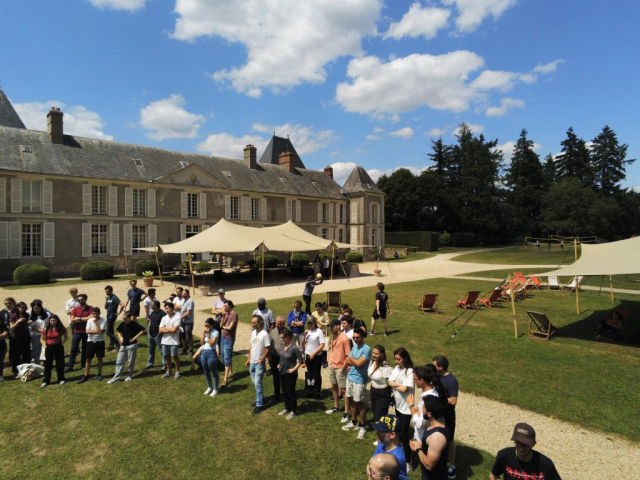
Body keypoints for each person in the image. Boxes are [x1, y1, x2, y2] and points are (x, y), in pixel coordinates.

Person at [490, 423, 561, 480]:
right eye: (518, 443)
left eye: (526, 445)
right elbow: (493, 475)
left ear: (533, 444)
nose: (521, 449)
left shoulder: (546, 464)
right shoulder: (504, 455)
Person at [409, 396, 450, 480]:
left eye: (423, 408)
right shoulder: (437, 423)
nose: (421, 410)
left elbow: (429, 465)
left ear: (429, 414)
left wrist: (418, 449)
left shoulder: (437, 437)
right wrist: (421, 445)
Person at [388, 347, 415, 474]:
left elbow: (405, 389)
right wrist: (399, 384)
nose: (396, 361)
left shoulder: (409, 371)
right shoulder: (397, 369)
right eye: (395, 359)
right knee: (399, 431)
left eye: (398, 359)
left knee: (404, 434)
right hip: (398, 405)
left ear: (405, 358)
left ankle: (409, 462)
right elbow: (389, 381)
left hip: (407, 408)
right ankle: (399, 455)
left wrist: (396, 384)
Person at [432, 355, 459, 480]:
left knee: (450, 439)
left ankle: (452, 465)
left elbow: (453, 401)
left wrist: (440, 397)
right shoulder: (436, 376)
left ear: (441, 367)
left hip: (448, 414)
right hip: (437, 413)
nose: (433, 367)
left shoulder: (452, 381)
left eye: (435, 365)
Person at [342, 329, 371, 440]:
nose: (355, 339)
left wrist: (351, 360)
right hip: (350, 377)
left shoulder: (367, 349)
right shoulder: (355, 346)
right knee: (351, 400)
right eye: (354, 337)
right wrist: (351, 361)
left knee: (360, 403)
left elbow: (359, 363)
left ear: (363, 337)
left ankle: (362, 426)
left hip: (359, 379)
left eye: (357, 337)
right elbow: (349, 359)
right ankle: (354, 422)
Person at [107, 311, 145, 383]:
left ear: (129, 317)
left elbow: (142, 330)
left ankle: (129, 376)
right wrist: (120, 337)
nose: (124, 320)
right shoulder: (123, 323)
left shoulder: (134, 324)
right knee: (119, 362)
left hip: (132, 345)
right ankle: (116, 378)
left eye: (125, 318)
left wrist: (135, 337)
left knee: (131, 361)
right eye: (123, 318)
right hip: (123, 346)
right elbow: (118, 331)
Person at [326, 319, 352, 423]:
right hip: (333, 365)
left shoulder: (345, 339)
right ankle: (336, 407)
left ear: (338, 326)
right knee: (334, 386)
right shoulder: (334, 336)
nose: (331, 329)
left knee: (344, 390)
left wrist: (343, 368)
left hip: (341, 367)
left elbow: (348, 355)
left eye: (332, 327)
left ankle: (346, 412)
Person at [245, 315, 270, 414]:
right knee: (255, 382)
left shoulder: (264, 334)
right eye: (252, 322)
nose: (252, 324)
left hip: (259, 363)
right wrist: (248, 359)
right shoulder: (254, 333)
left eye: (254, 323)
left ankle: (259, 404)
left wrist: (262, 359)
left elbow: (268, 348)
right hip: (252, 362)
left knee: (258, 383)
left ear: (259, 323)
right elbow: (252, 346)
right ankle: (259, 398)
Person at [277, 328, 304, 419]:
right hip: (282, 372)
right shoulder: (283, 345)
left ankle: (294, 410)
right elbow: (282, 357)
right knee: (284, 391)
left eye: (283, 337)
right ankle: (287, 407)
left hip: (290, 374)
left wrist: (293, 369)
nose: (281, 339)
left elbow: (301, 360)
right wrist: (279, 364)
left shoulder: (294, 348)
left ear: (288, 337)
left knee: (291, 392)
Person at [77, 307, 106, 383]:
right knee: (88, 359)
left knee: (100, 358)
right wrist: (97, 331)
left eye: (96, 313)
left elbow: (101, 332)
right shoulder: (89, 320)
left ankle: (99, 374)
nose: (95, 315)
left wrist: (96, 323)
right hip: (90, 341)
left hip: (100, 341)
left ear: (99, 313)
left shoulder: (103, 321)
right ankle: (86, 375)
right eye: (93, 313)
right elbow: (87, 331)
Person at [65, 294, 91, 373]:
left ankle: (83, 365)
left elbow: (91, 317)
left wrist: (78, 319)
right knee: (73, 349)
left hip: (86, 332)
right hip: (77, 331)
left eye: (81, 300)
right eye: (79, 300)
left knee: (85, 349)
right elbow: (72, 319)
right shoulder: (75, 309)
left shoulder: (90, 308)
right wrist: (84, 319)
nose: (80, 301)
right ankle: (70, 366)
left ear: (86, 299)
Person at [41, 314, 68, 387]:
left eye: (54, 320)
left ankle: (61, 379)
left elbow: (66, 337)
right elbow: (42, 339)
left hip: (58, 346)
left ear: (57, 321)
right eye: (51, 320)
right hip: (49, 347)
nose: (52, 322)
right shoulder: (46, 329)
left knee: (60, 363)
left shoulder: (61, 328)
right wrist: (45, 346)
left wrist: (62, 344)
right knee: (48, 365)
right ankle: (46, 380)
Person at [369, 345, 393, 424]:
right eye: (373, 353)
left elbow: (390, 382)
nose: (374, 355)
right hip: (373, 390)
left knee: (381, 414)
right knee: (374, 410)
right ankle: (379, 428)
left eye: (376, 354)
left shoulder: (385, 367)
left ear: (382, 355)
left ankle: (382, 432)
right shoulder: (372, 362)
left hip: (383, 393)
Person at [302, 316, 325, 398]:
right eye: (308, 323)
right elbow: (303, 343)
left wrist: (314, 354)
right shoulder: (308, 332)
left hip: (317, 356)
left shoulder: (319, 332)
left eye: (311, 323)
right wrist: (304, 335)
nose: (309, 325)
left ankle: (317, 391)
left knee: (316, 373)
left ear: (314, 323)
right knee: (310, 372)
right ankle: (310, 389)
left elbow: (322, 345)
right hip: (308, 354)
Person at [159, 302, 181, 379]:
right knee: (166, 356)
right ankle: (169, 371)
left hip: (174, 341)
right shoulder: (164, 318)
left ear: (172, 308)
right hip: (164, 341)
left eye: (168, 308)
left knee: (175, 356)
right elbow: (160, 329)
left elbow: (174, 330)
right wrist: (169, 329)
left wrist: (165, 329)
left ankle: (177, 371)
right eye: (165, 308)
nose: (166, 310)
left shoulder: (177, 317)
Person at [267, 315, 286, 403]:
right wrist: (269, 357)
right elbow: (269, 345)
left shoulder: (287, 333)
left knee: (283, 378)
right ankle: (277, 395)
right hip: (274, 358)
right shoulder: (273, 331)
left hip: (284, 359)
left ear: (283, 324)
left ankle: (285, 394)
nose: (277, 325)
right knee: (275, 378)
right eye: (276, 323)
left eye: (279, 324)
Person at [9, 302, 32, 376]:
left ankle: (26, 369)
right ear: (18, 307)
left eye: (25, 307)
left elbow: (26, 325)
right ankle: (16, 371)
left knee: (26, 353)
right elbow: (11, 327)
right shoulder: (14, 316)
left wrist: (29, 323)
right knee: (16, 354)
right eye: (22, 307)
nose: (23, 309)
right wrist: (18, 322)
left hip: (25, 336)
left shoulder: (26, 315)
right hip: (17, 337)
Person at [200, 318, 220, 397]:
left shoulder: (216, 332)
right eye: (205, 326)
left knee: (214, 372)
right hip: (204, 352)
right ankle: (209, 387)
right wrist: (203, 333)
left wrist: (208, 335)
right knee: (206, 371)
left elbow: (212, 344)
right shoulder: (206, 332)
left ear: (212, 325)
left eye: (208, 326)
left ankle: (215, 389)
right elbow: (201, 343)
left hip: (211, 353)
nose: (206, 328)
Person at [220, 300, 238, 387]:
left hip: (229, 339)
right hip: (223, 337)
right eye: (224, 306)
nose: (225, 308)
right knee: (224, 356)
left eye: (226, 306)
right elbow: (220, 326)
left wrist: (223, 327)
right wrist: (223, 318)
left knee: (227, 357)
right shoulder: (225, 314)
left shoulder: (234, 314)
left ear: (230, 306)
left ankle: (225, 379)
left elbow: (230, 327)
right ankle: (230, 373)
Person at [145, 300, 166, 369]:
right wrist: (148, 328)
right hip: (151, 334)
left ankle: (165, 364)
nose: (150, 306)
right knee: (151, 350)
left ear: (156, 306)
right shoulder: (153, 312)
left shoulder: (162, 314)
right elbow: (150, 321)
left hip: (158, 335)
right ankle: (150, 363)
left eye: (152, 305)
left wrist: (160, 332)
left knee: (162, 350)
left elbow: (165, 324)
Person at [104, 285, 124, 352]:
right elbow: (105, 307)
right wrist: (106, 300)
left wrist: (119, 312)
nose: (106, 293)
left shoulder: (114, 297)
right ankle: (111, 345)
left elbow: (122, 305)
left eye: (107, 291)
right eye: (105, 291)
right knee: (111, 331)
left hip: (112, 317)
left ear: (111, 291)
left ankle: (118, 345)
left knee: (108, 332)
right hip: (109, 316)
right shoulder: (109, 297)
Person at [29, 299, 49, 364]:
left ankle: (46, 364)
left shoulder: (47, 314)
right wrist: (42, 331)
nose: (36, 310)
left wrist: (46, 330)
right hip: (36, 335)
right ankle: (37, 364)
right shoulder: (31, 316)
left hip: (46, 335)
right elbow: (33, 326)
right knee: (37, 350)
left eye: (38, 308)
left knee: (46, 350)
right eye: (34, 308)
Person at [311, 302, 330, 368]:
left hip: (323, 332)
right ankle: (318, 360)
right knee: (316, 346)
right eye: (317, 309)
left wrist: (320, 323)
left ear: (321, 308)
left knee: (323, 348)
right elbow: (311, 322)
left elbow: (327, 323)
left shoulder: (325, 314)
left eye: (319, 309)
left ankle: (324, 362)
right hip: (316, 332)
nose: (318, 311)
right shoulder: (313, 313)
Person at [180, 289, 195, 355]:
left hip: (188, 322)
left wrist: (180, 318)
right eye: (182, 293)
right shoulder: (184, 301)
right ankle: (184, 349)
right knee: (183, 336)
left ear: (188, 294)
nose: (183, 295)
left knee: (189, 337)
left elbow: (188, 312)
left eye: (185, 294)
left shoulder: (190, 301)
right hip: (183, 321)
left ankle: (191, 350)